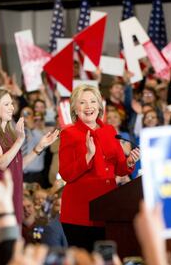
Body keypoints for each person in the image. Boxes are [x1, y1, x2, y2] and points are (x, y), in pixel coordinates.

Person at [59, 85, 140, 251]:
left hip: (107, 210)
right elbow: (66, 173)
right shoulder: (69, 133)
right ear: (75, 108)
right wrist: (88, 156)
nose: (89, 106)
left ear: (99, 106)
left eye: (92, 101)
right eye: (83, 102)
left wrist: (130, 162)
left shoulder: (109, 131)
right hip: (80, 212)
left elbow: (119, 169)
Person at [0, 88, 59, 245]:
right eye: (7, 104)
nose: (12, 107)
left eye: (12, 103)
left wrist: (38, 148)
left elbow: (18, 165)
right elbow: (1, 162)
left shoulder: (8, 133)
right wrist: (20, 140)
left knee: (12, 245)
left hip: (12, 195)